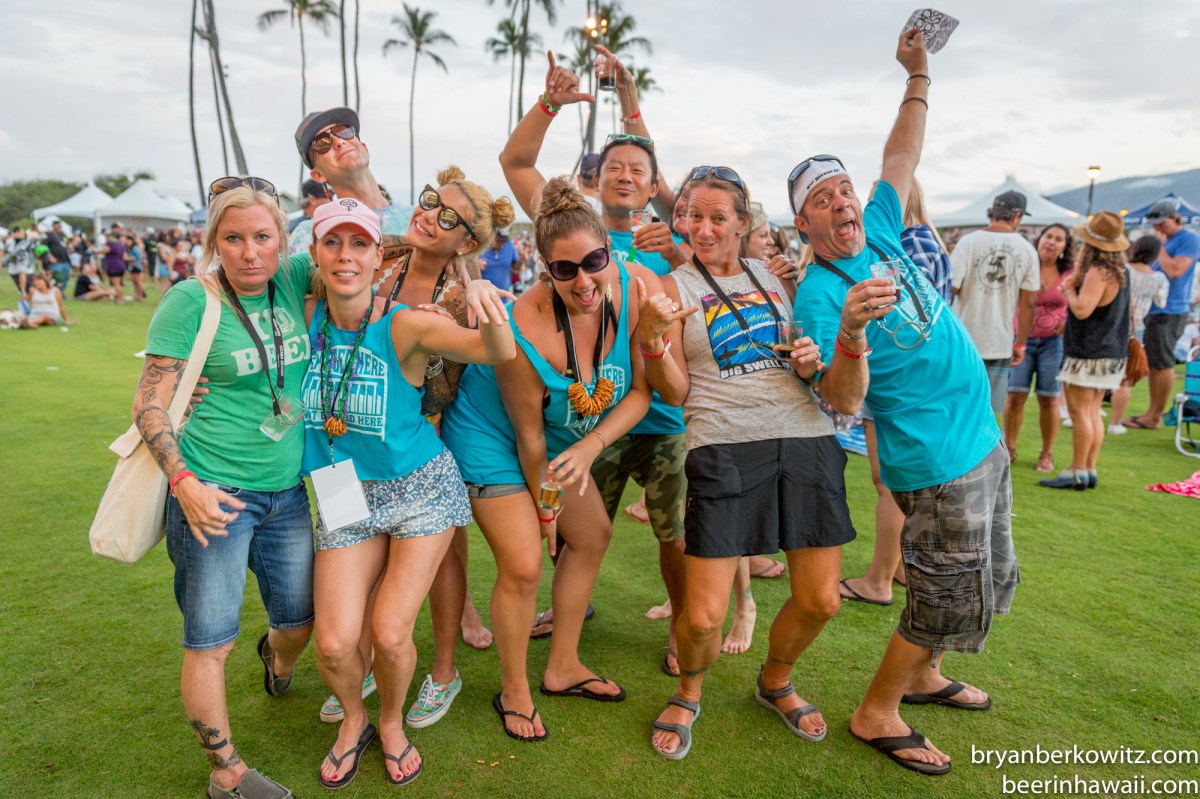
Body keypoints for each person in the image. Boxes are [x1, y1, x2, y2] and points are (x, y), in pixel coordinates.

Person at [791, 29, 1018, 776]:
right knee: (949, 586)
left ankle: (922, 673)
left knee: (986, 571)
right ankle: (876, 709)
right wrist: (852, 330)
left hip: (980, 433)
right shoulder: (819, 294)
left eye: (842, 190)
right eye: (821, 200)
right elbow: (839, 401)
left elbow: (901, 154)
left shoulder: (882, 224)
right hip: (934, 456)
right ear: (805, 225)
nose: (840, 203)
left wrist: (918, 73)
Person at [640, 164, 853, 761]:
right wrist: (654, 339)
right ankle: (689, 691)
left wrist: (810, 356)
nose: (702, 229)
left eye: (717, 217)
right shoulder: (672, 288)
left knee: (820, 600)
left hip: (805, 435)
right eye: (692, 216)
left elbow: (808, 358)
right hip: (723, 445)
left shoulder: (779, 277)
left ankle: (776, 681)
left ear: (743, 222)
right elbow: (675, 393)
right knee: (705, 618)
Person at [300, 197, 515, 789]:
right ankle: (354, 719)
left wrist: (485, 302)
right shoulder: (301, 316)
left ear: (378, 256)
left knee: (392, 633)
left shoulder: (405, 322)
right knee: (337, 644)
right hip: (343, 490)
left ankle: (391, 724)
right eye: (332, 243)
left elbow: (497, 351)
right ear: (314, 253)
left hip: (421, 490)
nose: (346, 256)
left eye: (359, 244)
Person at [500, 49, 690, 674]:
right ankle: (568, 617)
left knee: (677, 533)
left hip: (651, 404)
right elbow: (517, 162)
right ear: (595, 177)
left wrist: (630, 96)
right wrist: (551, 100)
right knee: (582, 531)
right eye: (616, 166)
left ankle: (685, 624)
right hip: (583, 413)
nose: (628, 176)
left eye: (640, 169)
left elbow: (672, 370)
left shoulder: (668, 241)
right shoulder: (567, 226)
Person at [442, 176, 654, 737]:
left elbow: (641, 393)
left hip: (560, 440)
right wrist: (545, 511)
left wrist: (590, 446)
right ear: (543, 267)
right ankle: (513, 690)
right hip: (491, 438)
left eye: (593, 261)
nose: (583, 281)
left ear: (608, 249)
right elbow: (527, 438)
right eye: (565, 270)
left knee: (594, 536)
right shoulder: (521, 327)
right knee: (525, 561)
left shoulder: (631, 289)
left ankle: (562, 666)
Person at [133, 177, 314, 799]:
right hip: (212, 493)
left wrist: (474, 278)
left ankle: (278, 658)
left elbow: (384, 243)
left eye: (262, 236)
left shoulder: (292, 280)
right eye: (232, 239)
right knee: (211, 639)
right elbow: (149, 404)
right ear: (214, 242)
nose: (248, 252)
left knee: (299, 621)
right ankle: (226, 774)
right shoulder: (191, 300)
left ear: (282, 239)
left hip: (288, 492)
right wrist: (183, 483)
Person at [370, 166, 514, 730]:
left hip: (419, 435)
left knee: (445, 548)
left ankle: (445, 670)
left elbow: (456, 377)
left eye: (448, 216)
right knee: (357, 545)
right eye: (430, 202)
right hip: (345, 436)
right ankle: (359, 662)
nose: (429, 215)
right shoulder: (379, 253)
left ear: (468, 242)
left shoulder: (459, 299)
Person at [838, 177, 959, 608]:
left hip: (902, 380)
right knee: (898, 481)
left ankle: (879, 579)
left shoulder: (905, 245)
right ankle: (900, 567)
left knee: (892, 482)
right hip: (924, 382)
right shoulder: (930, 241)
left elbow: (905, 316)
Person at [1039, 212, 1130, 490]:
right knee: (1091, 411)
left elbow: (1081, 309)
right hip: (1110, 351)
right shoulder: (1119, 270)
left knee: (1080, 412)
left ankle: (1076, 469)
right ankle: (1089, 468)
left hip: (1089, 352)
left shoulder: (1098, 271)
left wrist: (1067, 290)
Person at [950, 190, 1040, 414]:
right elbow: (1028, 303)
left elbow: (949, 289)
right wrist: (1020, 343)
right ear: (1017, 216)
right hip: (999, 342)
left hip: (963, 340)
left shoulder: (968, 242)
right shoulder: (1027, 249)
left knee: (959, 409)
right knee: (987, 413)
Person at [1002, 224, 1074, 471]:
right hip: (1022, 339)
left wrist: (1069, 317)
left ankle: (1047, 453)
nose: (1052, 242)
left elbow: (1081, 300)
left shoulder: (1069, 273)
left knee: (1049, 398)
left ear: (1065, 246)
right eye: (1049, 236)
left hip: (1053, 342)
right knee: (1016, 396)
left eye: (1059, 239)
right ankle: (1008, 449)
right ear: (1040, 239)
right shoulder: (1025, 265)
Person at [1122, 200, 1200, 429]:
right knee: (1155, 363)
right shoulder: (1171, 239)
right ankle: (1151, 412)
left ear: (1174, 218)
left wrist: (1160, 246)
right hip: (1156, 310)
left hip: (1171, 309)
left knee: (1163, 363)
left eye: (1161, 223)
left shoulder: (1188, 239)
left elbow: (1176, 270)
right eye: (1154, 224)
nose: (1158, 228)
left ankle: (1154, 416)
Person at [1109, 236, 1169, 434]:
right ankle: (1115, 422)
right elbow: (1161, 302)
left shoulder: (1121, 270)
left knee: (1100, 371)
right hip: (1136, 330)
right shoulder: (1158, 278)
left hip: (1111, 324)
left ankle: (1086, 414)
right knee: (1125, 379)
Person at [45, 220, 73, 294]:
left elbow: (67, 242)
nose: (59, 227)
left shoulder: (62, 234)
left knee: (65, 277)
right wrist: (50, 257)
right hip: (56, 260)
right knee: (57, 277)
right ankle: (54, 292)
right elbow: (45, 247)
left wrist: (70, 246)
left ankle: (61, 292)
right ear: (54, 226)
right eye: (58, 226)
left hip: (65, 259)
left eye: (60, 226)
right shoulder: (49, 235)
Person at [99, 230, 127, 304]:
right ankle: (120, 298)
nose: (107, 238)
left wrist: (95, 251)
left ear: (112, 237)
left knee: (116, 284)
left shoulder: (109, 244)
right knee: (117, 283)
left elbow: (104, 251)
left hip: (114, 266)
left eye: (108, 236)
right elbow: (124, 256)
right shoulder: (120, 244)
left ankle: (120, 299)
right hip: (121, 265)